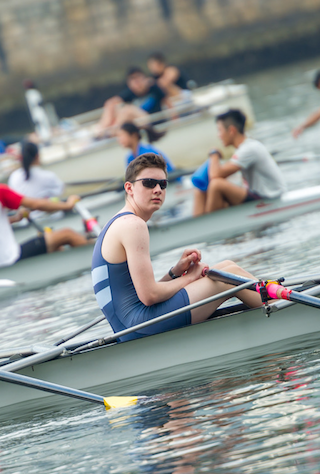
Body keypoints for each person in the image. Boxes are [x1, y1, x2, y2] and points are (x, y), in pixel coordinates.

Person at [91, 153, 263, 341]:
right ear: (129, 188)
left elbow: (142, 294)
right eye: (148, 183)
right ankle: (279, 306)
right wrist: (190, 277)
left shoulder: (117, 223)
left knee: (227, 268)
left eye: (162, 184)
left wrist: (175, 272)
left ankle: (273, 298)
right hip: (139, 327)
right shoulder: (133, 225)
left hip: (132, 325)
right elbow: (149, 296)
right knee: (226, 279)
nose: (157, 189)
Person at [0, 157, 88, 269]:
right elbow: (37, 204)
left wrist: (15, 218)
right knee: (67, 234)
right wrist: (67, 205)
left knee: (56, 246)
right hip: (12, 258)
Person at [191, 110, 285, 216]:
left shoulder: (249, 149)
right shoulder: (244, 148)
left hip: (269, 198)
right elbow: (219, 173)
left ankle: (205, 226)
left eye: (219, 130)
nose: (218, 136)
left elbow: (215, 175)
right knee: (199, 189)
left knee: (216, 185)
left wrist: (214, 154)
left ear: (231, 130)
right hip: (255, 195)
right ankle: (198, 225)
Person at [96, 67, 169, 136]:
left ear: (144, 78)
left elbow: (167, 101)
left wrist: (175, 119)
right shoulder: (130, 93)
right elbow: (112, 102)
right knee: (115, 106)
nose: (137, 83)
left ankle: (111, 133)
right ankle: (102, 130)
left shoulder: (154, 88)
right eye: (134, 80)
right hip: (139, 124)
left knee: (128, 110)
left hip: (153, 120)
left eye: (139, 78)